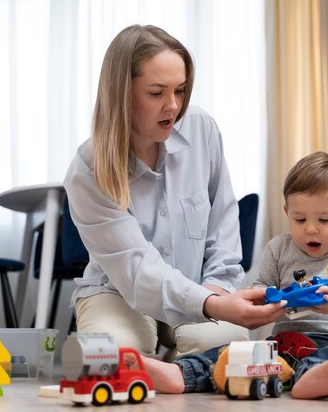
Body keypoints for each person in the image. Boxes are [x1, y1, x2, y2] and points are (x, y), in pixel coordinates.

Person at [63, 24, 285, 359]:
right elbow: (137, 272)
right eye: (156, 93)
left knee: (231, 355)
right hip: (118, 293)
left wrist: (215, 294)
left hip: (200, 286)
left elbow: (223, 226)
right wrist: (213, 306)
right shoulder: (88, 169)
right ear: (122, 94)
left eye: (180, 90)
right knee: (117, 358)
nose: (173, 106)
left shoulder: (202, 129)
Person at [141, 151, 328, 399]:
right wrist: (263, 298)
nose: (311, 229)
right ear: (286, 211)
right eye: (299, 219)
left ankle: (313, 377)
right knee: (233, 353)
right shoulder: (278, 249)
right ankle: (182, 373)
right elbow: (260, 288)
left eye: (324, 220)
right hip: (281, 343)